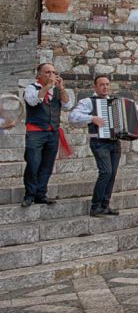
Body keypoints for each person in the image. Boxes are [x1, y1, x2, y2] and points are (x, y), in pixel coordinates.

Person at [21, 63, 73, 207]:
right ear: (39, 74)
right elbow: (32, 102)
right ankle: (29, 194)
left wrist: (61, 88)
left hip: (52, 132)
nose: (51, 75)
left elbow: (68, 105)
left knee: (47, 165)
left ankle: (41, 194)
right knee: (33, 162)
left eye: (54, 72)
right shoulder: (31, 88)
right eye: (47, 72)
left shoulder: (58, 90)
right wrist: (48, 86)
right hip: (35, 131)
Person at [69, 75, 121, 217]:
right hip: (99, 142)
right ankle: (95, 206)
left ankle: (105, 205)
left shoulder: (115, 102)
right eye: (102, 84)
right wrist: (92, 118)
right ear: (95, 87)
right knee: (106, 172)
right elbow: (73, 117)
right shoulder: (89, 102)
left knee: (112, 174)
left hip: (115, 142)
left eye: (107, 84)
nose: (105, 87)